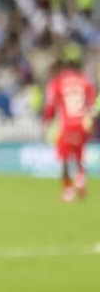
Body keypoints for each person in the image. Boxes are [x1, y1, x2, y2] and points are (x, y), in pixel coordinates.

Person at [43, 52, 95, 202]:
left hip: (66, 125)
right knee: (79, 155)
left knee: (65, 158)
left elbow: (51, 105)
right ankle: (80, 179)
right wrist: (91, 121)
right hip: (83, 123)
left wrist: (47, 121)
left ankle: (68, 191)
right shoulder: (86, 81)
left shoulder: (57, 82)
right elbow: (92, 104)